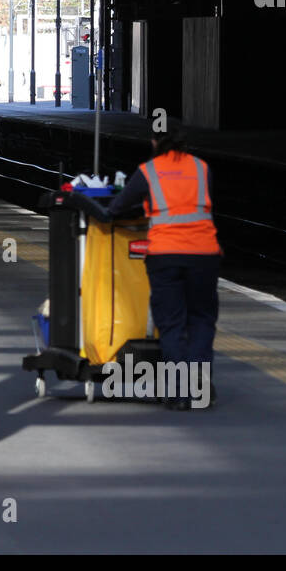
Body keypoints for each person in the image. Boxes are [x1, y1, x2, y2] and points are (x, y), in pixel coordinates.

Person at [82, 125, 221, 410]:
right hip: (204, 254)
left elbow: (117, 208)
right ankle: (200, 388)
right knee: (202, 320)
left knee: (171, 324)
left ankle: (180, 394)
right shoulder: (201, 167)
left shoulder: (149, 171)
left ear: (155, 142)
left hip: (165, 256)